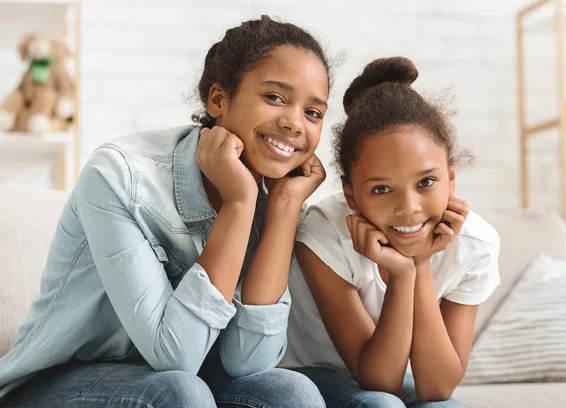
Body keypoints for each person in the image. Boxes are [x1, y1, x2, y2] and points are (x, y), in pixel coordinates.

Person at [0, 16, 331, 408]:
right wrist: (239, 205)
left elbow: (250, 361)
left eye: (313, 112)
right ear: (218, 100)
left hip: (183, 382)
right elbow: (176, 358)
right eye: (275, 97)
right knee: (179, 393)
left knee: (292, 393)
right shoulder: (119, 176)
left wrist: (284, 209)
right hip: (59, 381)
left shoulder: (276, 195)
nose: (295, 123)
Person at [282, 57, 500, 408]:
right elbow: (379, 381)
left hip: (395, 374)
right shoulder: (323, 234)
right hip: (309, 374)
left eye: (427, 182)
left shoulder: (475, 245)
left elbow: (438, 388)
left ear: (451, 180)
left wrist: (422, 264)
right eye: (382, 189)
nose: (409, 207)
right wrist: (401, 274)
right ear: (351, 194)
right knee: (383, 405)